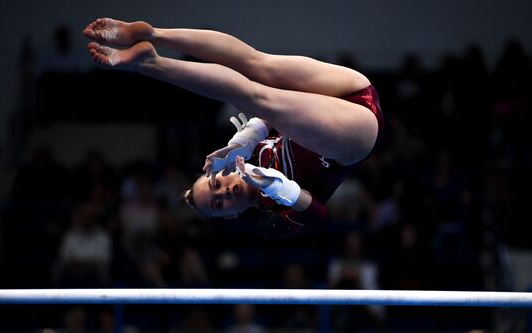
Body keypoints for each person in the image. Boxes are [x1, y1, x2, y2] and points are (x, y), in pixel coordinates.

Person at [83, 18, 383, 238]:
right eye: (219, 203)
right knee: (259, 97)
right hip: (355, 137)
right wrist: (279, 188)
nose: (224, 192)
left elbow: (282, 116)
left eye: (215, 184)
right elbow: (318, 215)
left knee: (257, 65)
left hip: (354, 91)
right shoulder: (270, 216)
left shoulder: (249, 157)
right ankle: (149, 64)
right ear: (231, 216)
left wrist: (249, 138)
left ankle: (152, 34)